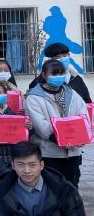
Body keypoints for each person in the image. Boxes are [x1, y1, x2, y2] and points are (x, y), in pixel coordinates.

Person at [25, 59, 88, 188]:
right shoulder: (34, 97)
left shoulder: (71, 93)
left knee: (71, 187)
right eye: (54, 74)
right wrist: (63, 140)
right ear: (44, 75)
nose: (58, 77)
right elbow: (41, 126)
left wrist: (80, 136)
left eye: (61, 73)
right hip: (50, 153)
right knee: (52, 189)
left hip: (73, 152)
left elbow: (83, 115)